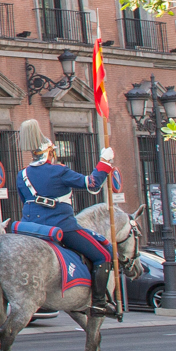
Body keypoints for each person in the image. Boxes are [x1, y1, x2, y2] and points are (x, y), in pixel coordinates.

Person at [12, 117, 121, 316]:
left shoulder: (22, 175)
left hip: (30, 228)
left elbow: (24, 200)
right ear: (49, 152)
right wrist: (104, 163)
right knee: (103, 255)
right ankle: (98, 303)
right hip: (62, 226)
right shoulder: (59, 171)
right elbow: (92, 184)